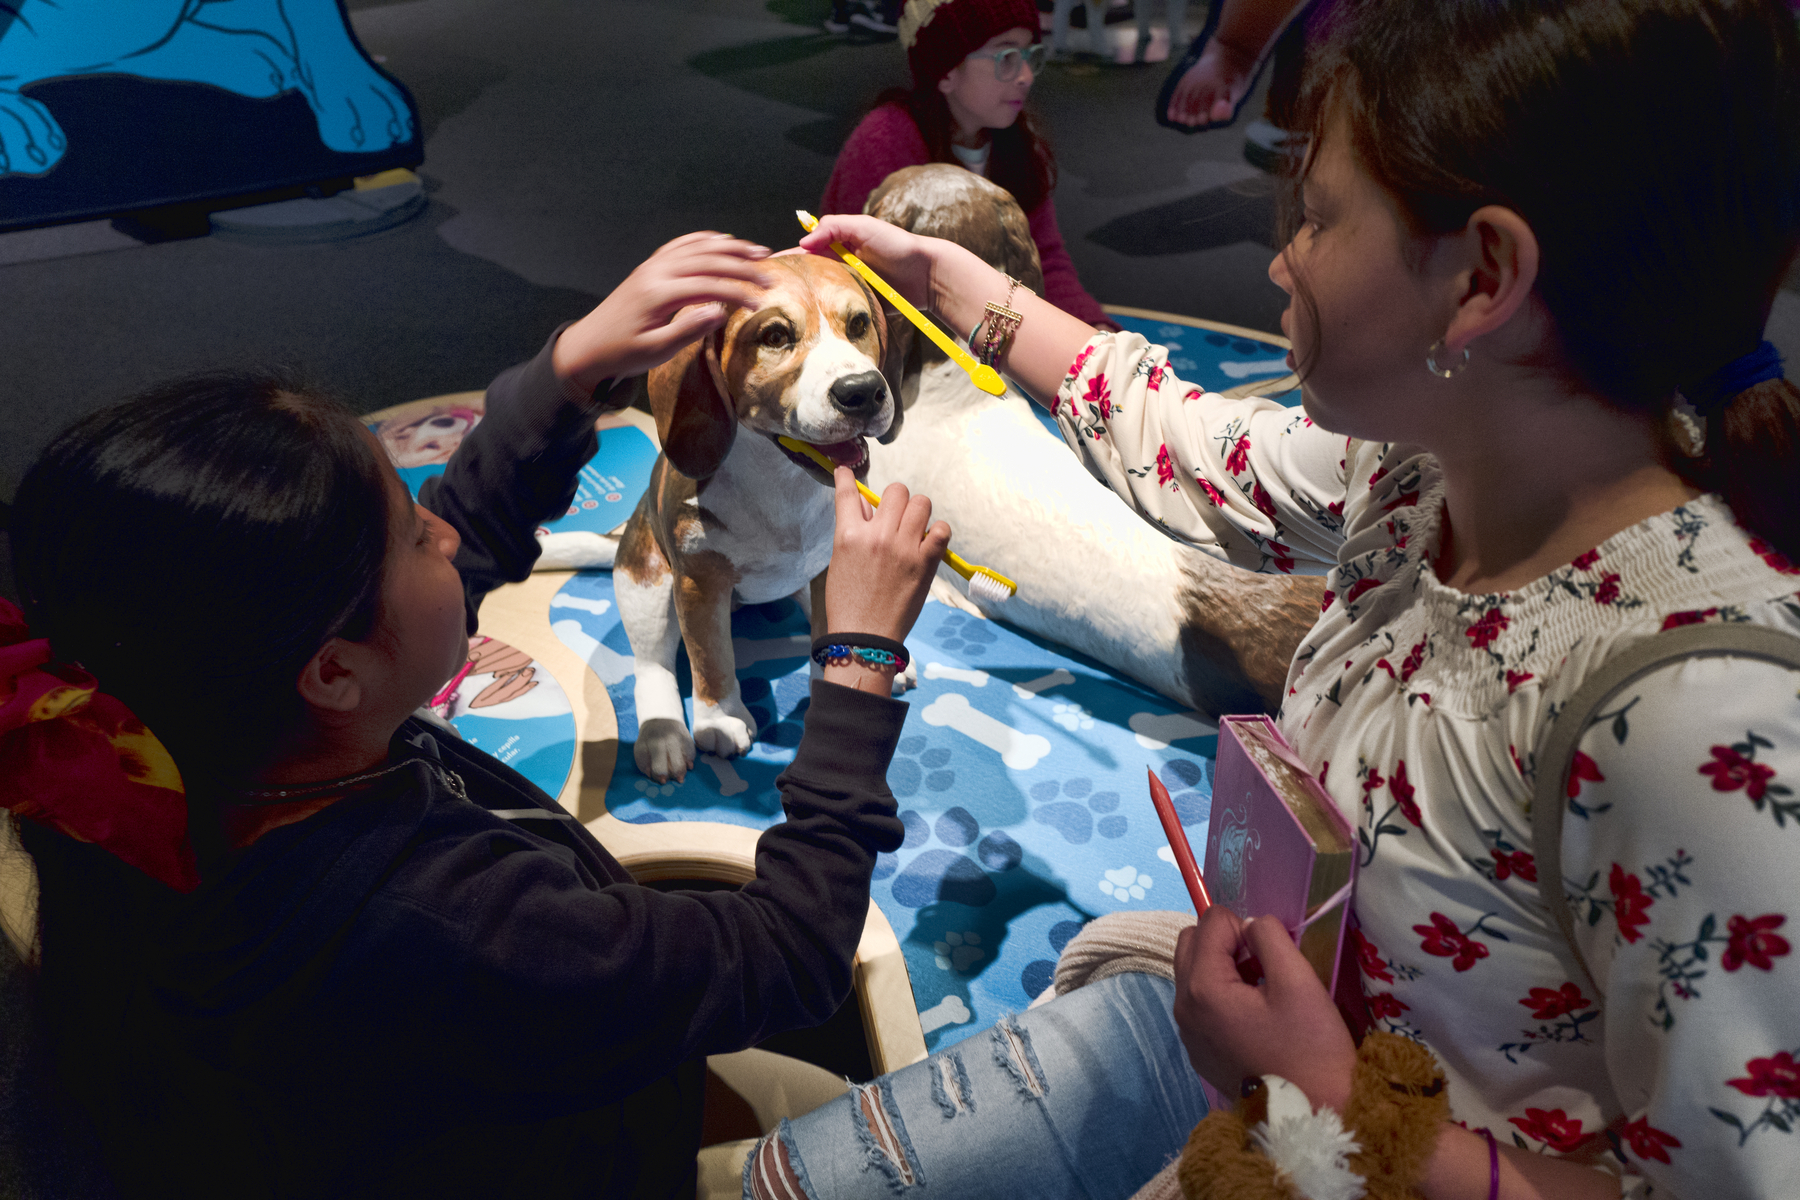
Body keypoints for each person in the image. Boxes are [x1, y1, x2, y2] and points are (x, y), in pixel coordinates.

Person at [784, 0, 1800, 1196]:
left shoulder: (1694, 725)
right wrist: (960, 287)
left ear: (1484, 276)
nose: (1280, 258)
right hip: (1285, 1063)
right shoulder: (1438, 470)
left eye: (1314, 217)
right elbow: (1188, 438)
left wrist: (1329, 1103)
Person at [0, 232, 953, 1199]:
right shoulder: (461, 929)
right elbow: (792, 958)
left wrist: (573, 368)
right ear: (334, 673)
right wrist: (859, 661)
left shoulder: (192, 751)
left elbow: (462, 554)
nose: (447, 531)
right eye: (416, 534)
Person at [819, 0, 1121, 330]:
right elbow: (858, 286)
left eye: (1030, 55)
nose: (1026, 75)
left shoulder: (1016, 139)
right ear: (946, 71)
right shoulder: (885, 140)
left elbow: (1045, 258)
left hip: (992, 336)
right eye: (1007, 58)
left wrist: (1095, 331)